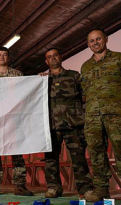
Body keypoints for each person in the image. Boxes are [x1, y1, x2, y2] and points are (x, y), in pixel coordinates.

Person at [80, 29, 121, 203]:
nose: (95, 43)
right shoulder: (85, 67)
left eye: (98, 39)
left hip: (118, 115)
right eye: (91, 41)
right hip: (93, 117)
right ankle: (101, 189)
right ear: (88, 44)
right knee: (96, 153)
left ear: (106, 39)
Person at [39, 48, 93, 198]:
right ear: (46, 61)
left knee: (79, 158)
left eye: (56, 55)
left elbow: (86, 95)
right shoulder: (43, 80)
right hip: (51, 125)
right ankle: (53, 188)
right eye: (50, 57)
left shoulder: (74, 76)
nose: (53, 58)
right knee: (51, 159)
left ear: (61, 56)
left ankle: (85, 189)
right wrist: (39, 81)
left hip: (73, 124)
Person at [0, 47, 33, 196]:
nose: (2, 57)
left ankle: (20, 185)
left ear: (8, 57)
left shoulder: (17, 75)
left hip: (14, 119)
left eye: (5, 55)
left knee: (17, 152)